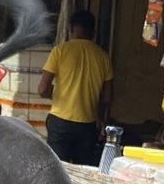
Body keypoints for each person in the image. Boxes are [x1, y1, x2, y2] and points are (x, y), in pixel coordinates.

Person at [37, 9, 113, 165]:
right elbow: (107, 97)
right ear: (93, 31)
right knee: (82, 171)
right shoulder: (104, 57)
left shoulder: (60, 51)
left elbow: (42, 89)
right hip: (87, 126)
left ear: (71, 28)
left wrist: (57, 93)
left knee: (58, 170)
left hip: (60, 122)